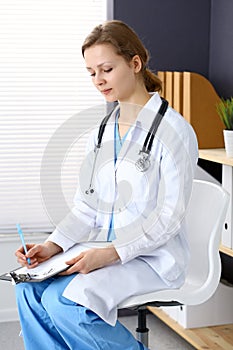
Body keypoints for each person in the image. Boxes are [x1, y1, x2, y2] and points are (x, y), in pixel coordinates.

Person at [15, 20, 198, 350]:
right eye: (91, 73)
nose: (98, 80)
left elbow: (168, 218)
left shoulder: (174, 131)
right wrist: (53, 246)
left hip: (151, 259)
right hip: (103, 250)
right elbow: (88, 206)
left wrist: (112, 253)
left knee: (65, 304)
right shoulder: (103, 131)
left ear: (135, 63)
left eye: (106, 69)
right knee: (28, 289)